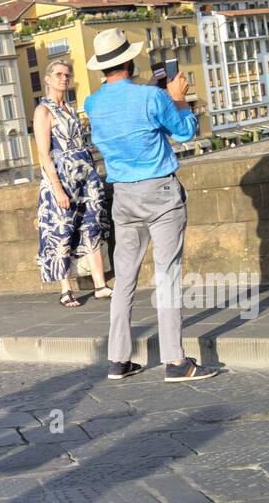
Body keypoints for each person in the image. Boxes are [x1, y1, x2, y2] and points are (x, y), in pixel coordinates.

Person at [83, 28, 214, 382]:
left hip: (122, 195)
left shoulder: (92, 104)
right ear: (129, 60)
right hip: (159, 193)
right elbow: (185, 131)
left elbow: (127, 115)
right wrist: (178, 98)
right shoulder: (150, 98)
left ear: (102, 68)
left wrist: (158, 96)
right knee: (167, 275)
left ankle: (118, 360)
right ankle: (175, 362)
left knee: (123, 279)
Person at [34, 58, 112, 307]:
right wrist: (57, 188)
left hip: (85, 177)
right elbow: (44, 154)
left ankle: (100, 284)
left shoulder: (69, 108)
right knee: (62, 231)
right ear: (48, 79)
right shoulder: (43, 111)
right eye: (58, 74)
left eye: (67, 75)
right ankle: (65, 289)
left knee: (92, 226)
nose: (63, 78)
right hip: (62, 180)